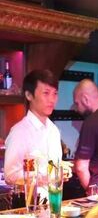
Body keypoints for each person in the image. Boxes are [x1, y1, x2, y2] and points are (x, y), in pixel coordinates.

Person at [4, 69, 71, 198]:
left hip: (54, 201)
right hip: (31, 205)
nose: (52, 99)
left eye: (55, 93)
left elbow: (52, 165)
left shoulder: (53, 130)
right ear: (29, 95)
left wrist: (62, 170)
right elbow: (10, 175)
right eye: (46, 93)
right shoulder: (20, 132)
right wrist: (46, 176)